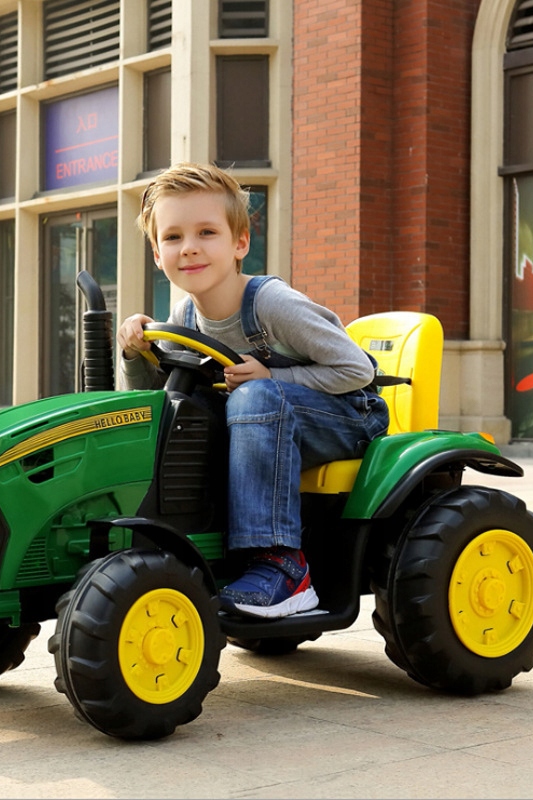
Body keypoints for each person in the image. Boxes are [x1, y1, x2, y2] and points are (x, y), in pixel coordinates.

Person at [117, 162, 389, 619]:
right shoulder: (184, 318)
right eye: (173, 237)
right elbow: (162, 399)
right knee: (188, 411)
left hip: (349, 415)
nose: (189, 247)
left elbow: (356, 370)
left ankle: (283, 567)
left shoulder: (270, 303)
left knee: (254, 396)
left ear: (240, 242)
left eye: (207, 232)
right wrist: (133, 353)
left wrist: (273, 378)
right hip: (268, 423)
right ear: (157, 254)